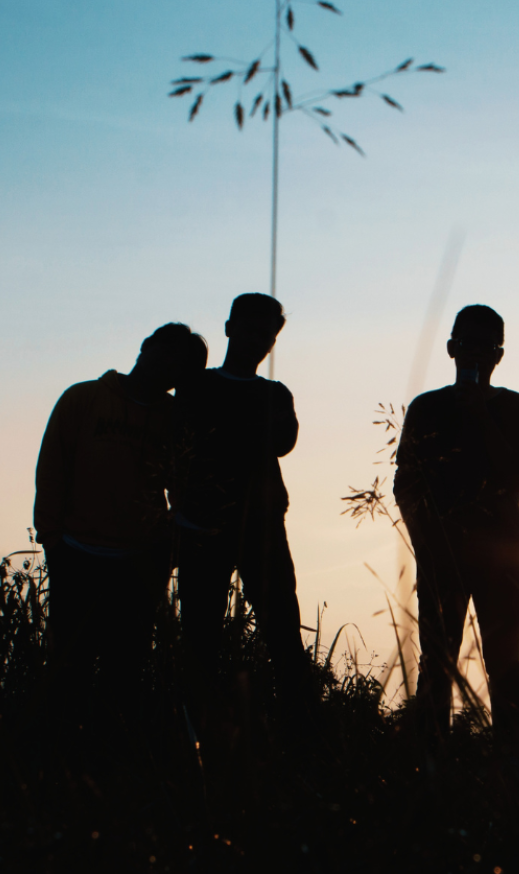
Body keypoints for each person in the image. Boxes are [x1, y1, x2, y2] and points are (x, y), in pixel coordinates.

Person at [33, 322, 192, 732]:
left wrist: (168, 550)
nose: (168, 366)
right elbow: (52, 469)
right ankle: (57, 757)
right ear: (145, 348)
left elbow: (187, 487)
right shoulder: (84, 398)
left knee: (126, 670)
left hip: (140, 562)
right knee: (69, 666)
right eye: (164, 353)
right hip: (76, 554)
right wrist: (52, 540)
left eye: (178, 362)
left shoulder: (176, 418)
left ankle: (112, 760)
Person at [394, 305, 519, 740]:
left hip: (502, 555)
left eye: (485, 346)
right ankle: (430, 761)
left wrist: (480, 415)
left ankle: (510, 763)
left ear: (499, 354)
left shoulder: (515, 408)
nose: (474, 354)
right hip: (442, 556)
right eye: (467, 343)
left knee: (504, 662)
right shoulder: (427, 407)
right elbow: (405, 483)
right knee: (437, 661)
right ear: (452, 348)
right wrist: (424, 541)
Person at [170, 294, 309, 727]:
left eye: (266, 335)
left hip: (262, 528)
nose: (257, 341)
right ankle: (198, 730)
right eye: (249, 330)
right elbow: (177, 447)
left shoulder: (274, 394)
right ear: (230, 328)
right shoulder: (196, 386)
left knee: (283, 630)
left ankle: (302, 733)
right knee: (199, 634)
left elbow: (283, 441)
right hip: (202, 526)